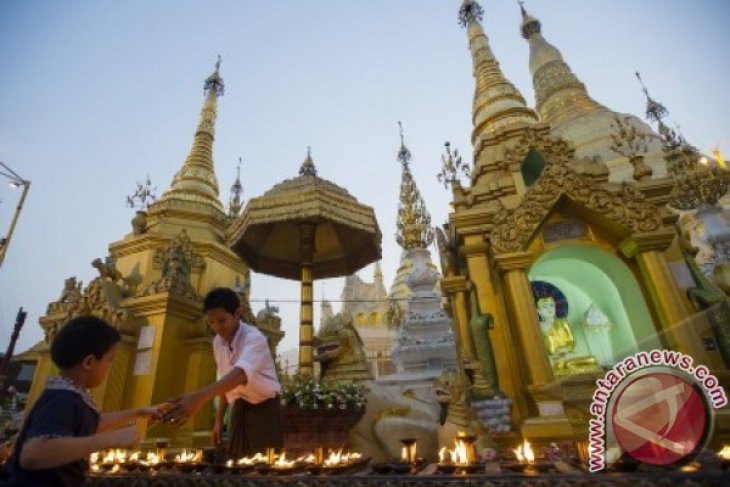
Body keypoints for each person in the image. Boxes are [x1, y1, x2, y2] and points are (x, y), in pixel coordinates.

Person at [4, 315, 166, 487]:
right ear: (89, 362)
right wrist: (109, 439)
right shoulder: (62, 399)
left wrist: (139, 412)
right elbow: (33, 454)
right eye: (109, 360)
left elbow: (86, 425)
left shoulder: (71, 396)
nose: (109, 367)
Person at [165, 287, 283, 457]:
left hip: (265, 406)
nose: (217, 328)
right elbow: (226, 382)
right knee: (236, 460)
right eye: (211, 322)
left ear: (237, 313)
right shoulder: (218, 343)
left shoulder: (254, 338)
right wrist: (218, 421)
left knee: (264, 463)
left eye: (221, 320)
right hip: (239, 406)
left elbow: (240, 375)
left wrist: (198, 397)